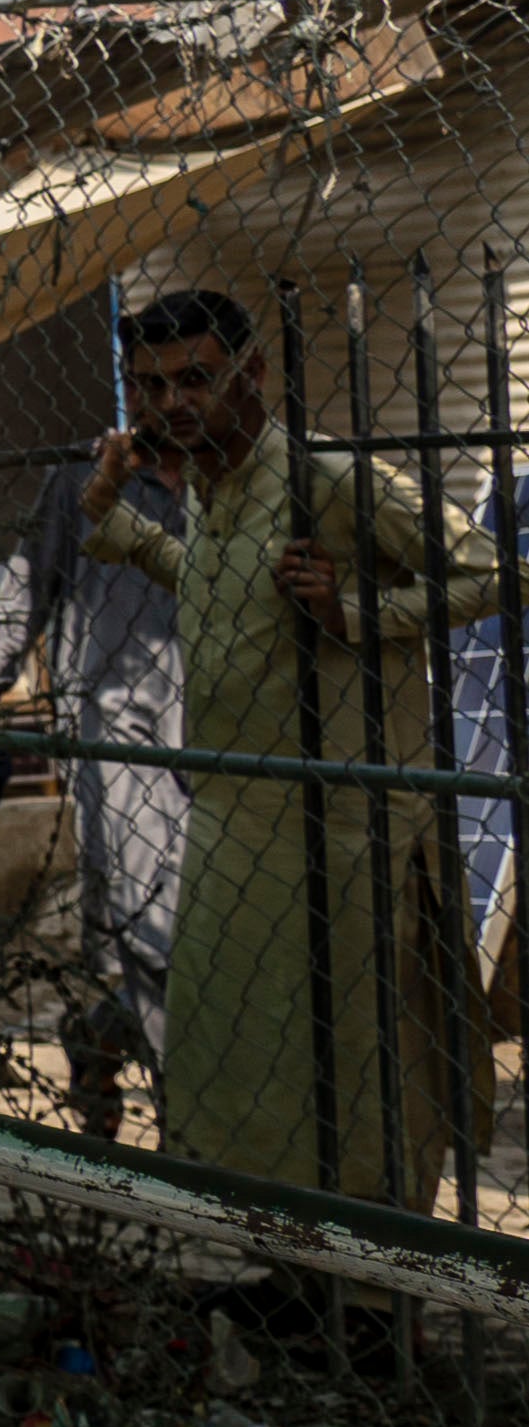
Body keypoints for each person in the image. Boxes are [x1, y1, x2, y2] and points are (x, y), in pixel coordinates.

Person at [86, 285, 507, 1209]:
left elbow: (495, 575)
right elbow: (205, 581)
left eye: (193, 378)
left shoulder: (328, 482)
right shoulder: (205, 493)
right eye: (147, 386)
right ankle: (282, 1269)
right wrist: (109, 514)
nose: (169, 405)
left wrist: (353, 612)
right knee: (235, 1063)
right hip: (235, 824)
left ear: (253, 373)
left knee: (355, 1079)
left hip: (343, 830)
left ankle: (371, 1292)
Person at [0, 411, 189, 1141]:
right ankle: (199, 1133)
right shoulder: (79, 480)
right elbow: (27, 584)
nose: (174, 396)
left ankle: (99, 1034)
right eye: (153, 379)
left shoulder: (241, 477)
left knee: (210, 937)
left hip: (230, 729)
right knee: (153, 929)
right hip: (121, 735)